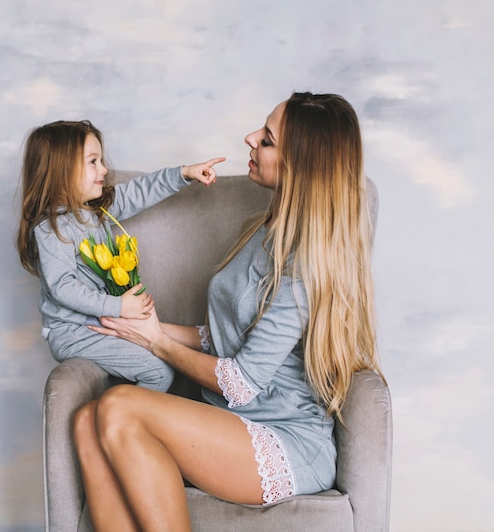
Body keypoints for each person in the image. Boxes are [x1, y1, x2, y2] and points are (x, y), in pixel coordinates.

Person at [72, 92, 385, 532]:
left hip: (284, 439)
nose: (250, 138)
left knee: (120, 406)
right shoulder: (265, 227)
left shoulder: (306, 264)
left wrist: (156, 343)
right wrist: (148, 327)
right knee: (87, 420)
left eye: (268, 140)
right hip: (233, 420)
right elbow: (227, 335)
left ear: (301, 165)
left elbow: (241, 382)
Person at [17, 119, 225, 392]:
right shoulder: (51, 228)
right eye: (93, 161)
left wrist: (183, 173)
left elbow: (140, 191)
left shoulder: (97, 211)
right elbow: (62, 288)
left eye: (100, 160)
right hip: (73, 332)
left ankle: (126, 419)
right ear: (61, 171)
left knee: (163, 358)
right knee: (158, 372)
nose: (104, 169)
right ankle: (119, 425)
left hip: (101, 324)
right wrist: (119, 307)